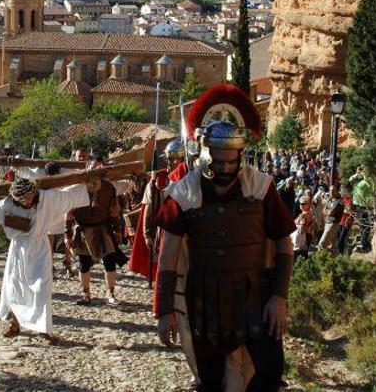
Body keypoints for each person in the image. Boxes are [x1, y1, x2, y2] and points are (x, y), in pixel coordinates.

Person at [155, 84, 295, 392]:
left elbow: (285, 244)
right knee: (211, 382)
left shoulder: (260, 187)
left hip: (255, 297)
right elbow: (168, 257)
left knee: (270, 374)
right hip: (205, 300)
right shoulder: (183, 193)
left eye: (232, 161)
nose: (226, 168)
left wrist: (279, 297)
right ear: (205, 154)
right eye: (218, 162)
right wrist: (165, 310)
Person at [0, 178, 89, 342]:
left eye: (27, 197)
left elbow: (68, 195)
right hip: (18, 249)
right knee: (15, 287)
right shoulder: (9, 203)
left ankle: (43, 329)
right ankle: (15, 324)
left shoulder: (46, 198)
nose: (25, 201)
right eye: (21, 199)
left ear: (34, 193)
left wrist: (86, 182)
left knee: (42, 288)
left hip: (40, 248)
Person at [66, 158, 123, 306]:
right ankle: (86, 295)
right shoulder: (76, 189)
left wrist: (117, 230)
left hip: (103, 229)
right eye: (93, 168)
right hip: (83, 230)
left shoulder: (108, 188)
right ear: (87, 167)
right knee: (83, 264)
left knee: (110, 262)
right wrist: (68, 235)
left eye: (100, 169)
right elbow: (68, 214)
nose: (96, 172)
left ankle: (110, 294)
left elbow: (114, 212)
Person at [128, 140, 188, 281]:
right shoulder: (158, 180)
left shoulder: (189, 178)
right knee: (163, 264)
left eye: (178, 159)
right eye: (172, 159)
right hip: (163, 230)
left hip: (185, 229)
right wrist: (147, 233)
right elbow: (149, 208)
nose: (175, 162)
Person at [349, 166, 376, 251]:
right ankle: (364, 242)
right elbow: (350, 180)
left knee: (366, 225)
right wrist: (357, 174)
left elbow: (372, 188)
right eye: (359, 170)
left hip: (366, 205)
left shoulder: (368, 180)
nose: (360, 172)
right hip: (358, 205)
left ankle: (365, 244)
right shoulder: (356, 181)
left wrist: (365, 175)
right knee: (362, 225)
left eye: (362, 170)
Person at [317, 185, 345, 254]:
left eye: (333, 190)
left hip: (333, 224)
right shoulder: (330, 198)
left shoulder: (339, 201)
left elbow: (330, 212)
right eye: (330, 190)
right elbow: (324, 210)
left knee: (321, 244)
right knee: (333, 247)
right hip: (327, 223)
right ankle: (336, 261)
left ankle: (320, 260)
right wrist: (327, 211)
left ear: (337, 191)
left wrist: (326, 211)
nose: (331, 192)